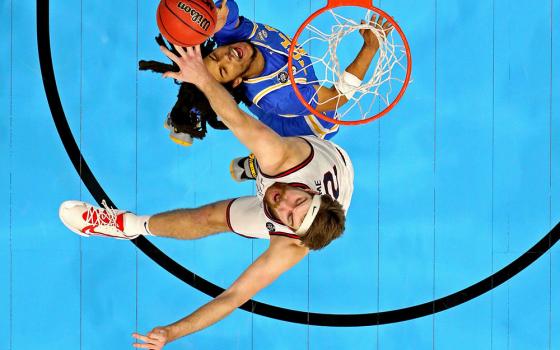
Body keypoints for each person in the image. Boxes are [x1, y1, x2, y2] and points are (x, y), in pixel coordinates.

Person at [59, 43, 354, 349]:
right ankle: (253, 167)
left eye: (290, 216)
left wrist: (172, 333)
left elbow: (232, 298)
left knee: (212, 219)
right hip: (323, 154)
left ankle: (128, 226)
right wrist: (200, 76)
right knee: (264, 146)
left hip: (299, 197)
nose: (284, 203)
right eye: (299, 200)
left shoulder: (289, 245)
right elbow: (234, 117)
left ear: (291, 232)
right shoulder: (283, 157)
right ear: (311, 192)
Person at [146, 0, 392, 145]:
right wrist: (370, 48)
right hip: (306, 126)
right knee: (276, 155)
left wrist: (213, 11)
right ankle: (185, 123)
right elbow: (336, 98)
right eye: (224, 69)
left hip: (274, 103)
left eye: (214, 55)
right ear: (236, 81)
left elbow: (226, 13)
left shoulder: (229, 39)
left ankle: (186, 111)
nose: (226, 56)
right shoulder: (281, 96)